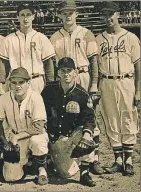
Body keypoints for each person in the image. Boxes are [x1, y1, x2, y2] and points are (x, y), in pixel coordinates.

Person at [49, 1, 103, 175]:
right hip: (65, 77)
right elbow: (51, 62)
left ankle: (94, 159)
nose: (68, 15)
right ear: (60, 15)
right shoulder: (55, 36)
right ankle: (66, 156)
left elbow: (94, 61)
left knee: (89, 117)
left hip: (83, 73)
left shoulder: (86, 33)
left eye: (71, 12)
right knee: (68, 117)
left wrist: (94, 83)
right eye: (64, 13)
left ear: (76, 14)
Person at [96, 2, 140, 176]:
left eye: (111, 14)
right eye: (105, 15)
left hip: (126, 81)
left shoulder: (130, 37)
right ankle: (118, 160)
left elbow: (138, 67)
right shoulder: (98, 39)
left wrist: (138, 91)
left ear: (118, 14)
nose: (108, 18)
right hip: (106, 82)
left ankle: (128, 159)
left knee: (128, 117)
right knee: (111, 119)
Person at [41, 57, 97, 187]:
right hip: (57, 138)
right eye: (63, 70)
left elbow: (90, 117)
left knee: (91, 134)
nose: (66, 74)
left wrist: (87, 135)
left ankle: (85, 172)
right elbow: (41, 112)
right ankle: (53, 160)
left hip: (74, 133)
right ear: (58, 73)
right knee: (67, 173)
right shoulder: (49, 90)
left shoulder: (82, 94)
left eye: (69, 70)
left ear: (75, 72)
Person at [0, 67, 49, 185]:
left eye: (21, 82)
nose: (18, 86)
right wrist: (4, 143)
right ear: (10, 84)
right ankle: (28, 164)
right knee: (11, 178)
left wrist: (17, 137)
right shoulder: (3, 99)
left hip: (33, 135)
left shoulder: (36, 97)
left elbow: (38, 126)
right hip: (14, 137)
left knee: (38, 141)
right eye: (14, 82)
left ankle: (42, 169)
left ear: (28, 83)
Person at [0, 2, 55, 94]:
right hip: (16, 82)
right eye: (22, 15)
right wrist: (0, 86)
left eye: (28, 15)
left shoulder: (41, 38)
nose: (25, 18)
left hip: (36, 81)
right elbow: (3, 65)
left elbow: (48, 65)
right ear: (17, 17)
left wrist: (51, 86)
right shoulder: (9, 39)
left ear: (33, 16)